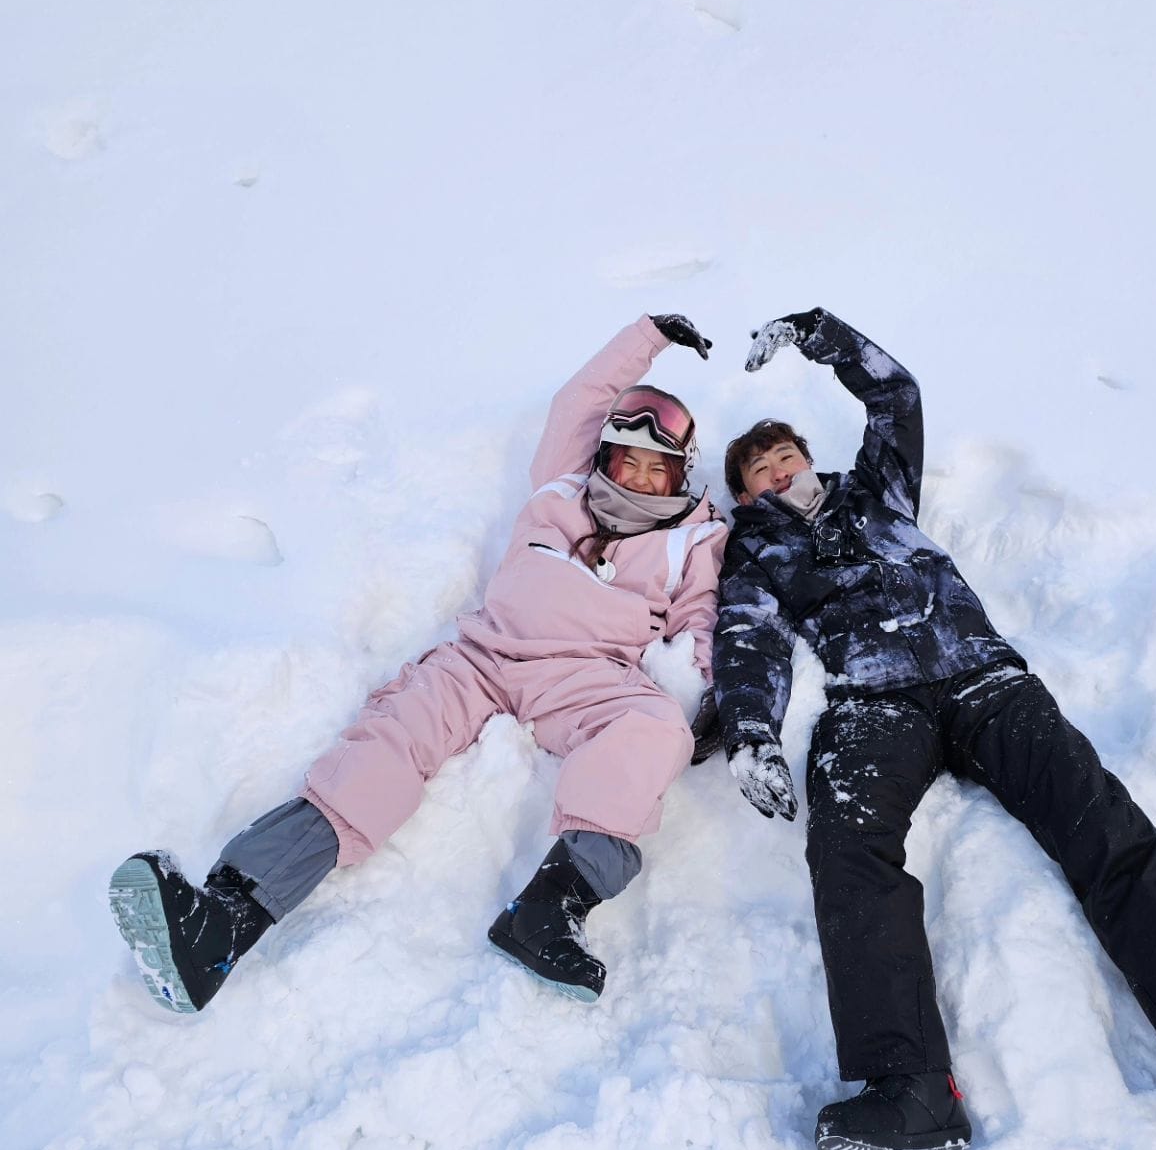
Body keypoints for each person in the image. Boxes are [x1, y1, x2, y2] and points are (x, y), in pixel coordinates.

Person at [713, 307, 1156, 1150]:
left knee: (1101, 823)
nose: (778, 473)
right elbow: (746, 641)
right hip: (870, 704)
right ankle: (910, 1088)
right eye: (759, 471)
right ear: (745, 495)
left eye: (786, 457)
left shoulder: (877, 491)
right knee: (848, 850)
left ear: (810, 460)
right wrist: (751, 731)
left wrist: (824, 334)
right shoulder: (755, 552)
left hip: (982, 676)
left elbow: (896, 396)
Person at [110, 313, 727, 1013]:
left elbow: (697, 625)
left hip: (588, 677)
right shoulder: (562, 480)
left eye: (658, 467)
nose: (641, 478)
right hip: (486, 655)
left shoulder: (695, 533)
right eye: (628, 461)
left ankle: (551, 909)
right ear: (605, 457)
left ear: (680, 471)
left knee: (654, 729)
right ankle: (223, 921)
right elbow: (581, 399)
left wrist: (704, 697)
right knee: (391, 742)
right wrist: (647, 336)